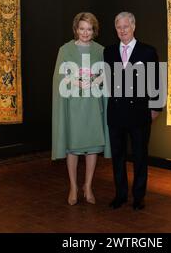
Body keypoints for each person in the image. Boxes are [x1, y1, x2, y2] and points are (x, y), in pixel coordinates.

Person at [103, 12, 163, 211]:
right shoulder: (109, 52)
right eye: (119, 27)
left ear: (134, 27)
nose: (122, 31)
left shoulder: (148, 52)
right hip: (116, 114)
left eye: (126, 27)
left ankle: (139, 196)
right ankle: (120, 195)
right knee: (118, 157)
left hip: (139, 114)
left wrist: (155, 108)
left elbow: (157, 82)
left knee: (140, 156)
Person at [52, 12, 111, 206]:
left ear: (94, 31)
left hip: (93, 105)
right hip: (73, 105)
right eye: (82, 28)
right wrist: (75, 81)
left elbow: (107, 75)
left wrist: (96, 79)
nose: (85, 33)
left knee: (93, 147)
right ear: (76, 29)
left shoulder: (101, 50)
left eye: (89, 29)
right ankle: (73, 187)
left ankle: (88, 186)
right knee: (73, 148)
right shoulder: (65, 50)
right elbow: (59, 77)